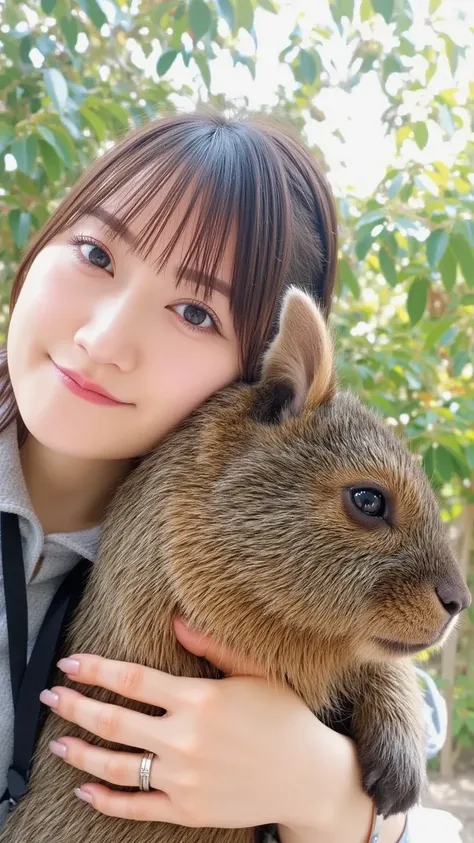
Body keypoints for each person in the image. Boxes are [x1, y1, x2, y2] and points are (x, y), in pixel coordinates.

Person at [0, 109, 463, 843]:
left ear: (262, 381)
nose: (104, 339)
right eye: (95, 253)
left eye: (193, 310)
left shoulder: (230, 520)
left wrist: (326, 797)